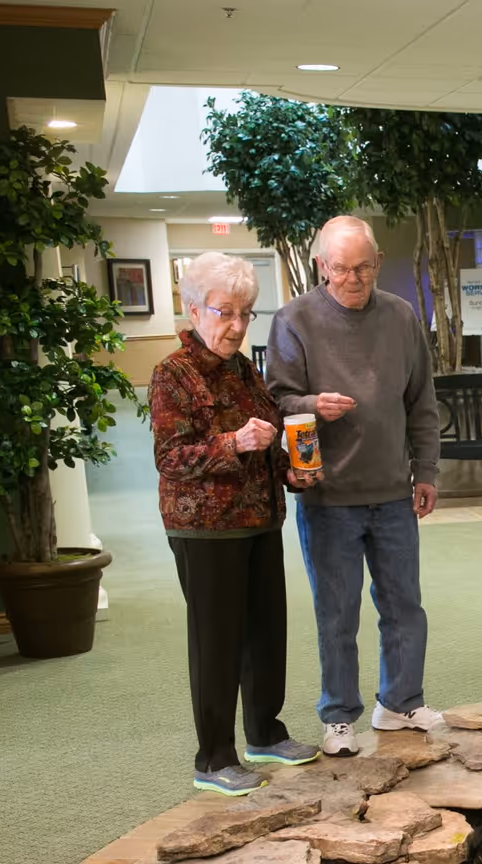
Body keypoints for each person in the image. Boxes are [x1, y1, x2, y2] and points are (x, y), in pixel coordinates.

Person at [265, 215, 444, 758]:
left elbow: (422, 402)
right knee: (337, 613)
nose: (354, 279)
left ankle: (400, 702)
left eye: (364, 267)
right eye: (342, 268)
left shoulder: (400, 315)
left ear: (377, 262)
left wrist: (427, 471)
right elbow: (276, 400)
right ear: (322, 266)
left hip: (392, 489)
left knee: (404, 606)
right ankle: (339, 716)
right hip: (328, 496)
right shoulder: (293, 319)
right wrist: (312, 406)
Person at [150, 251, 321, 794]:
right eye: (225, 312)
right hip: (204, 529)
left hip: (259, 519)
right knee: (217, 641)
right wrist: (234, 442)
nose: (237, 325)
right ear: (194, 309)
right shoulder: (171, 375)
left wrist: (292, 472)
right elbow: (170, 458)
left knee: (266, 634)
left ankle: (265, 734)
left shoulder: (245, 369)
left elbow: (268, 436)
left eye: (246, 313)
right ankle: (213, 757)